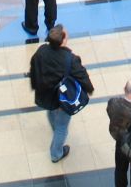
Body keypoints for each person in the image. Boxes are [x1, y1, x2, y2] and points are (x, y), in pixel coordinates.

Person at [29, 25, 92, 164]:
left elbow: (33, 68)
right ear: (62, 41)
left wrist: (34, 85)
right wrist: (89, 88)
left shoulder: (41, 51)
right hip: (62, 98)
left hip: (45, 95)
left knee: (50, 113)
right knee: (62, 128)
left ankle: (54, 128)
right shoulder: (70, 58)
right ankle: (56, 153)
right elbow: (82, 76)